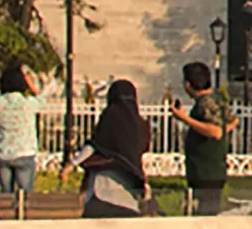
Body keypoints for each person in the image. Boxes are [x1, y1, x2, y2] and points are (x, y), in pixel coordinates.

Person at [73, 80, 159, 217]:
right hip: (128, 198)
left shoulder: (110, 117)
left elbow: (95, 145)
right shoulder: (141, 125)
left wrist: (72, 163)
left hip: (101, 192)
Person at [170, 61, 233, 215]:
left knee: (204, 216)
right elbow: (232, 121)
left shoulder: (205, 104)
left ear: (188, 84)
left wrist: (184, 119)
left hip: (206, 172)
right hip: (214, 170)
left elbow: (215, 132)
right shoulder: (218, 100)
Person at [0, 67, 44, 194]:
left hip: (3, 153)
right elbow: (42, 100)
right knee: (26, 194)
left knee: (6, 193)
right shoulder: (28, 103)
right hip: (25, 152)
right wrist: (31, 86)